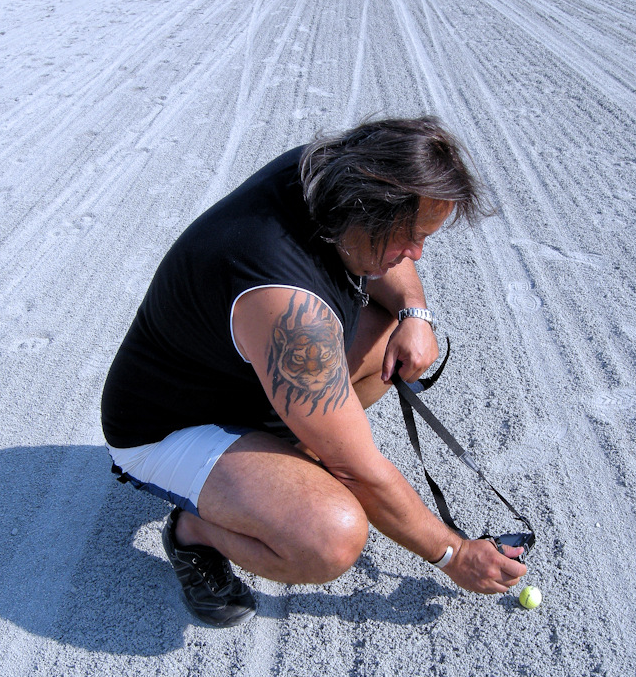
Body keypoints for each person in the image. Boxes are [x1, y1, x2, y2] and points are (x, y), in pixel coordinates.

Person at [101, 117, 527, 627]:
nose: (416, 254)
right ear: (368, 208)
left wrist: (415, 313)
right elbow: (360, 472)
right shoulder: (285, 305)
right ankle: (195, 532)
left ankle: (283, 463)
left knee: (389, 336)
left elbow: (394, 271)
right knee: (330, 535)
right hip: (167, 429)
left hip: (240, 382)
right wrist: (454, 554)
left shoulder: (329, 173)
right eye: (411, 236)